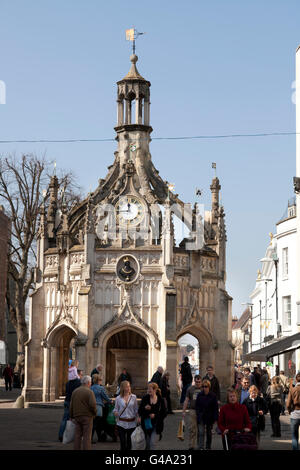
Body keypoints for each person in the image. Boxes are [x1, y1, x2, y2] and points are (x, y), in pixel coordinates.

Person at [69, 375, 97, 450]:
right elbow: (93, 405)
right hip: (87, 416)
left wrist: (71, 415)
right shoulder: (90, 392)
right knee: (87, 436)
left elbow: (71, 404)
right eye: (90, 382)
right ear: (88, 382)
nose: (91, 384)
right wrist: (94, 413)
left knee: (77, 435)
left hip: (77, 415)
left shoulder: (75, 391)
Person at [138, 382, 167, 450]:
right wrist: (145, 408)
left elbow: (164, 413)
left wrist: (155, 415)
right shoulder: (145, 398)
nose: (148, 391)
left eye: (150, 390)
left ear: (155, 390)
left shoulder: (160, 400)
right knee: (147, 445)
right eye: (148, 390)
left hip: (156, 425)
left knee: (153, 443)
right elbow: (140, 411)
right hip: (146, 425)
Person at [58, 368, 83, 442]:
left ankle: (61, 435)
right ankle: (73, 436)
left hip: (67, 401)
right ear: (77, 374)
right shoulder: (78, 382)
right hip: (73, 402)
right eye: (81, 374)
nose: (81, 376)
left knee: (65, 419)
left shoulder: (68, 382)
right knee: (75, 419)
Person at [114, 380, 138, 451]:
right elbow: (115, 409)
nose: (129, 388)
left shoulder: (133, 397)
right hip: (121, 423)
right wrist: (115, 412)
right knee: (122, 442)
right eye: (127, 386)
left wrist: (138, 416)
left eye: (129, 386)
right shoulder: (118, 398)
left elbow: (136, 409)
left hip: (132, 423)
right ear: (123, 388)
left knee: (129, 442)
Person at [195, 379, 219, 450]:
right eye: (203, 386)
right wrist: (198, 414)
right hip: (201, 416)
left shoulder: (213, 396)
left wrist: (215, 418)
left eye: (206, 386)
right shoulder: (199, 395)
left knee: (209, 433)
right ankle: (201, 446)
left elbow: (215, 408)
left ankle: (208, 446)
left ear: (209, 387)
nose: (204, 388)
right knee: (201, 432)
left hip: (209, 417)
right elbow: (197, 406)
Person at [182, 375, 203, 450]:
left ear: (201, 381)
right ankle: (191, 445)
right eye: (196, 382)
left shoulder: (204, 388)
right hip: (192, 410)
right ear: (194, 381)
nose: (198, 383)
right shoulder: (190, 389)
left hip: (202, 411)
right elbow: (186, 400)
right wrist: (183, 411)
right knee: (192, 429)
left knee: (201, 430)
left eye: (199, 382)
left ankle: (200, 446)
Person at [90, 374, 113, 443]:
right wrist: (110, 401)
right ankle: (91, 439)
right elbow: (105, 397)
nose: (101, 381)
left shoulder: (91, 388)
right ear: (98, 380)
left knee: (94, 423)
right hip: (98, 407)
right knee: (96, 424)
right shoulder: (100, 388)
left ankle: (96, 437)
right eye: (100, 380)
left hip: (91, 407)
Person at [286, 372, 300, 450]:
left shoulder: (292, 390)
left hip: (295, 414)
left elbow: (288, 404)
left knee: (294, 436)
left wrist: (289, 411)